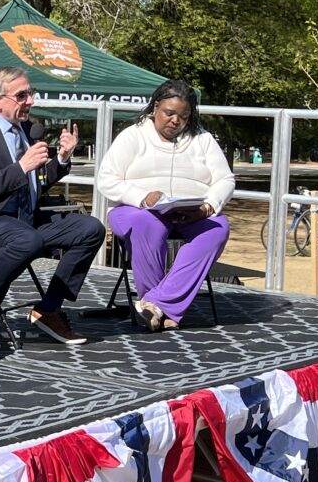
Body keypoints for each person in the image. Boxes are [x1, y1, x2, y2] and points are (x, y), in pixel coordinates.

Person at [0, 67, 105, 349]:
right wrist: (21, 167)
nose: (30, 101)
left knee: (91, 228)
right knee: (27, 239)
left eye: (30, 93)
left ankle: (48, 308)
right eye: (21, 95)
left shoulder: (27, 130)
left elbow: (37, 182)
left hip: (28, 219)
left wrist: (61, 159)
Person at [96, 79, 235, 332]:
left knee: (217, 227)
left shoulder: (202, 139)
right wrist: (141, 197)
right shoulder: (133, 136)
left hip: (190, 210)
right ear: (155, 107)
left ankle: (155, 306)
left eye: (183, 116)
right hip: (137, 210)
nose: (175, 121)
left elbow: (225, 179)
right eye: (169, 113)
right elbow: (106, 180)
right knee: (147, 223)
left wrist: (206, 207)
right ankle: (165, 307)